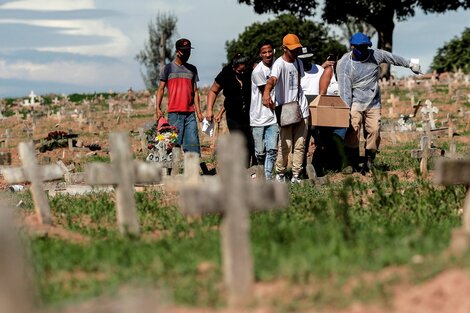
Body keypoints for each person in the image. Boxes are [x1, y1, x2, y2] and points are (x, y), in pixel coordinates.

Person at [337, 32, 421, 173]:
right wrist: (346, 110)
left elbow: (393, 58)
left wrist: (410, 64)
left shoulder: (375, 55)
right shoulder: (344, 65)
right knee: (353, 129)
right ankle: (351, 161)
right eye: (360, 48)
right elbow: (345, 91)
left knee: (374, 130)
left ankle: (370, 161)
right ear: (353, 47)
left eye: (365, 47)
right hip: (354, 102)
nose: (363, 50)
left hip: (372, 101)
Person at [263, 34, 309, 183]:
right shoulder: (279, 64)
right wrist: (266, 93)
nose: (295, 52)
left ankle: (296, 175)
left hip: (301, 107)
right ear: (284, 48)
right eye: (292, 49)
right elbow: (272, 80)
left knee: (300, 144)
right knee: (285, 144)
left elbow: (299, 83)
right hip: (285, 110)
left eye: (297, 49)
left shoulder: (298, 62)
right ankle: (281, 174)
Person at [206, 53, 255, 167]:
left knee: (251, 143)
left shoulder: (250, 71)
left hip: (250, 114)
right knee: (239, 142)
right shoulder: (226, 73)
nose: (242, 73)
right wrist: (209, 109)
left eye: (244, 70)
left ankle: (252, 170)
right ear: (234, 68)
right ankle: (241, 169)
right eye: (239, 71)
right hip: (233, 115)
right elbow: (213, 91)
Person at [156, 38, 203, 154]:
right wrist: (157, 108)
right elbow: (161, 89)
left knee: (192, 146)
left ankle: (191, 171)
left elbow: (195, 91)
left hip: (190, 114)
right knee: (172, 147)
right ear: (177, 52)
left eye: (189, 51)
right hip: (174, 114)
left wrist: (199, 112)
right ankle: (169, 172)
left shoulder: (192, 69)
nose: (187, 54)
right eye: (184, 51)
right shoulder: (167, 69)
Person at [250, 39, 278, 180]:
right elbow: (266, 96)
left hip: (272, 118)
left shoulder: (277, 66)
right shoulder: (258, 71)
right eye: (264, 52)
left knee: (272, 150)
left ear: (273, 51)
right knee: (260, 152)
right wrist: (280, 109)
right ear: (260, 54)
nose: (267, 55)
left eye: (269, 51)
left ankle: (267, 177)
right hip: (259, 116)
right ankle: (260, 169)